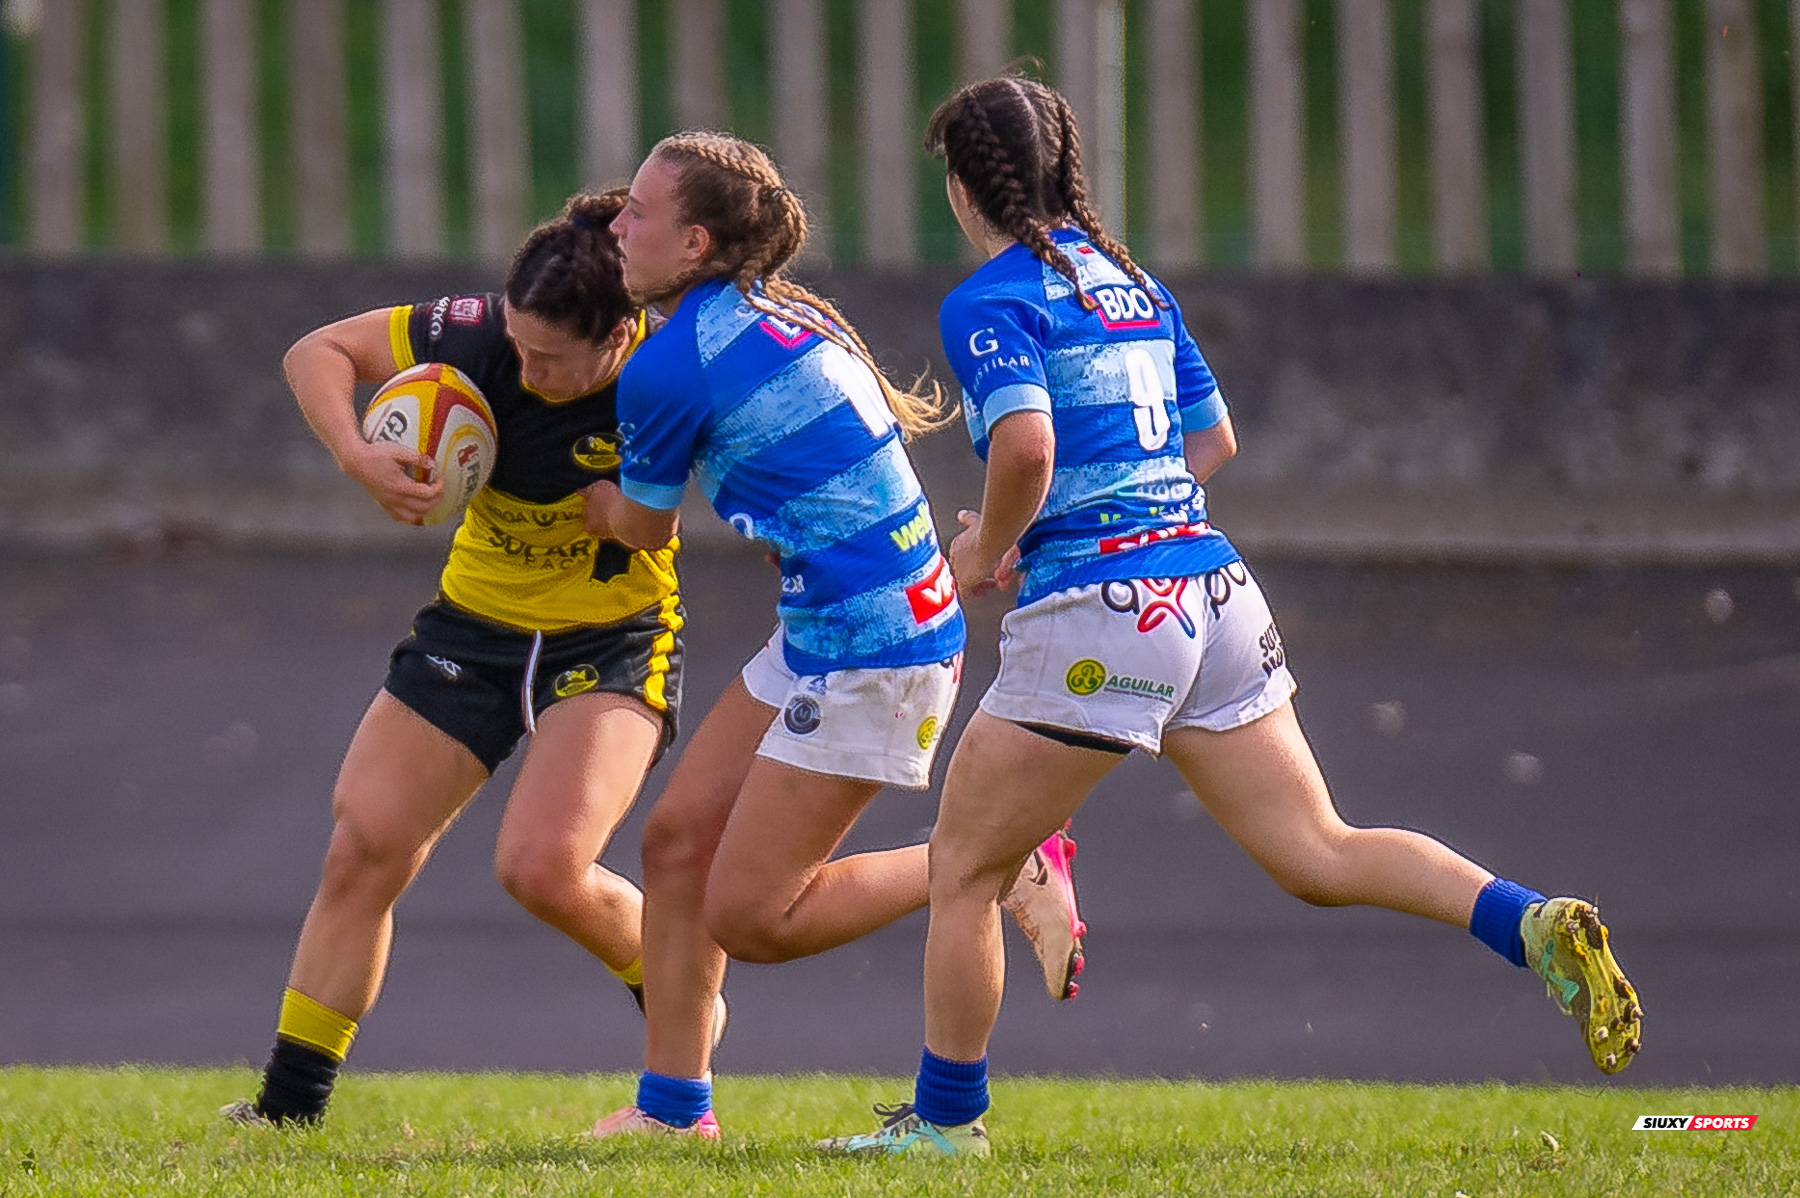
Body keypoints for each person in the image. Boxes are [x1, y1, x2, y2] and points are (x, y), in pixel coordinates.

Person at [822, 76, 1643, 1158]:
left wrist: (989, 549)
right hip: (1213, 594)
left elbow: (1025, 447)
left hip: (1105, 612)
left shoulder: (993, 299)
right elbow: (1211, 442)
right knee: (1320, 850)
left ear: (965, 187)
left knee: (966, 868)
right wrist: (1099, 516)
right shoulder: (1135, 286)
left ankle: (945, 1125)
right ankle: (1526, 920)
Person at [581, 130, 1079, 1140]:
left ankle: (996, 861)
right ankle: (674, 1112)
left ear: (695, 243)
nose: (615, 226)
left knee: (753, 916)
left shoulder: (670, 364)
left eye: (637, 212)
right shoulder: (768, 310)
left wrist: (573, 492)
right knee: (676, 844)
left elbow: (640, 529)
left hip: (875, 647)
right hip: (836, 625)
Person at [223, 190, 710, 1126]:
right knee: (363, 845)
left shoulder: (667, 372)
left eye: (549, 358)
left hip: (613, 641)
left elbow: (730, 473)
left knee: (545, 869)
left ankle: (680, 1000)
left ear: (619, 337)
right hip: (473, 629)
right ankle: (286, 1113)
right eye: (518, 345)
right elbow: (317, 351)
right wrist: (357, 453)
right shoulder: (476, 335)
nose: (523, 369)